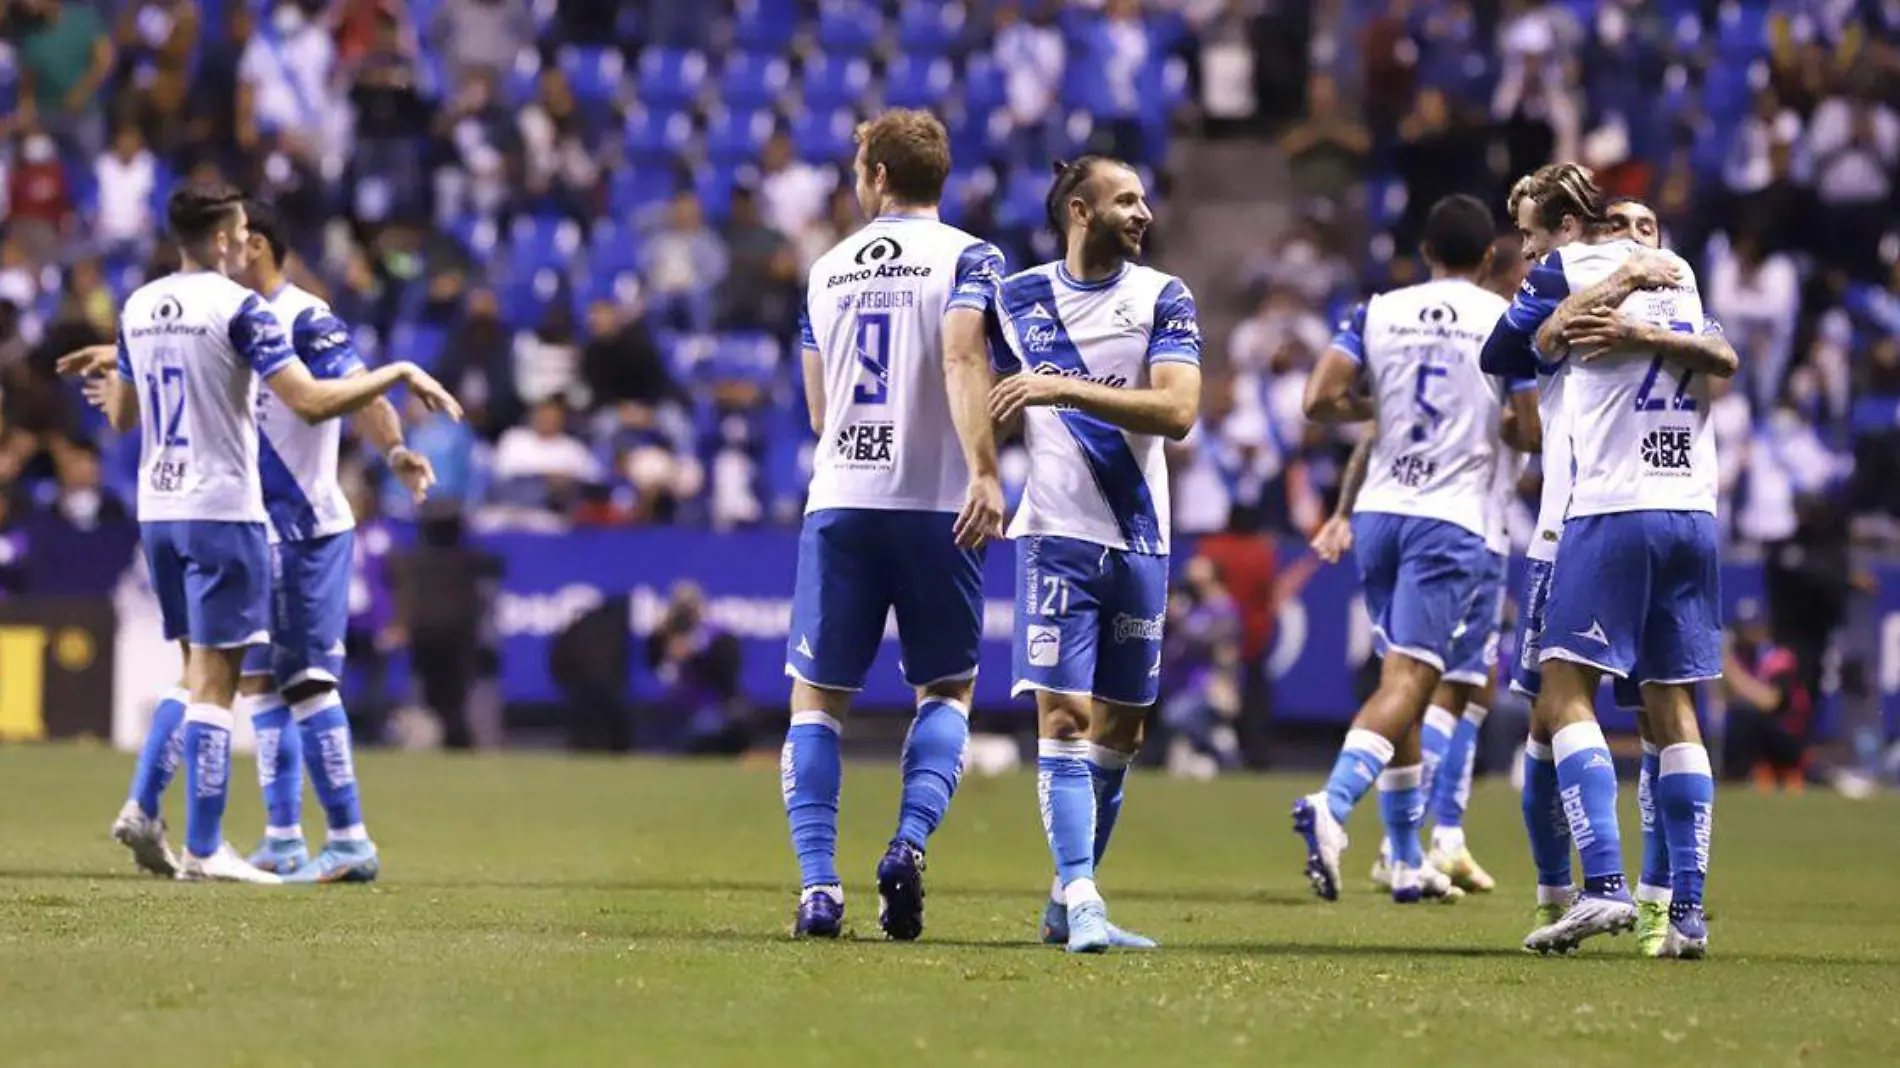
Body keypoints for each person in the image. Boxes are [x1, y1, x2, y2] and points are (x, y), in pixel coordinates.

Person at [90, 183, 459, 882]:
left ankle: (346, 838)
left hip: (300, 526)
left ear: (252, 242)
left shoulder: (302, 317)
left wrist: (393, 451)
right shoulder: (234, 312)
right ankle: (282, 836)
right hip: (239, 520)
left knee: (297, 684)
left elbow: (355, 390)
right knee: (248, 684)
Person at [1481, 165, 1737, 959]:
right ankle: (1685, 913)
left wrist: (1598, 296)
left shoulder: (1571, 270)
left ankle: (1600, 889)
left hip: (1604, 509)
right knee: (1674, 706)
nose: (1525, 256)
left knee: (1560, 700)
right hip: (1690, 507)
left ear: (1560, 226)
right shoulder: (1683, 278)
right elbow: (1720, 362)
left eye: (1529, 235)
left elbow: (1512, 346)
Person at [779, 109, 1007, 941]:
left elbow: (814, 408)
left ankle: (816, 889)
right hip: (937, 504)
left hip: (841, 498)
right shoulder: (972, 258)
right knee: (944, 688)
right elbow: (963, 359)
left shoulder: (825, 269)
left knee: (817, 703)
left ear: (875, 174)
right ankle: (907, 846)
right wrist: (985, 466)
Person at [989, 155, 1202, 952]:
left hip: (1142, 533)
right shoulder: (1017, 300)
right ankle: (1083, 898)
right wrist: (982, 473)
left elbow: (1178, 410)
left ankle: (1062, 900)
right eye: (1126, 199)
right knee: (1067, 716)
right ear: (1080, 211)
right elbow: (979, 395)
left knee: (1125, 731)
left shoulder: (1163, 296)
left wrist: (1061, 387)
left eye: (1145, 198)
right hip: (1055, 535)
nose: (1143, 212)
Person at [1290, 194, 1510, 906]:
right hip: (1450, 518)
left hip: (1381, 510)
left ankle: (1408, 858)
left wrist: (1379, 410)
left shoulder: (1377, 311)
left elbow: (1320, 400)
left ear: (1423, 253)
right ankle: (1333, 804)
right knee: (1415, 684)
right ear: (1487, 261)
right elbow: (1530, 430)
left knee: (1402, 686)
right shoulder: (1505, 321)